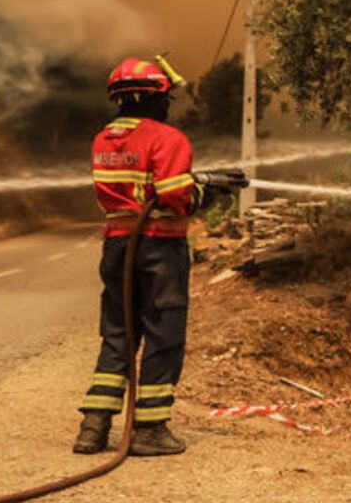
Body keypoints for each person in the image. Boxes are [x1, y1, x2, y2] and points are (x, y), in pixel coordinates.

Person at [72, 56, 236, 457]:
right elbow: (175, 195)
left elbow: (138, 187)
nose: (168, 105)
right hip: (159, 246)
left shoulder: (102, 140)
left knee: (118, 333)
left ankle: (93, 427)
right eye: (165, 97)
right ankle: (149, 428)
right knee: (164, 334)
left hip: (117, 246)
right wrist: (208, 192)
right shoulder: (168, 138)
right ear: (151, 98)